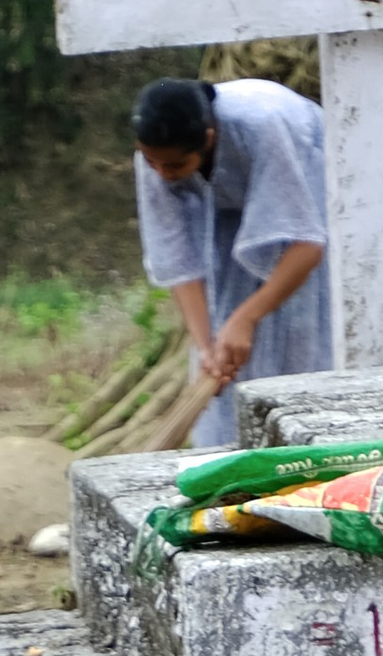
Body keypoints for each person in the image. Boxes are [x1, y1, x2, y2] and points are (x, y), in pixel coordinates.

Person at [132, 72, 332, 447]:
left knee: (300, 338)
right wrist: (206, 345)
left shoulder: (262, 126)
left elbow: (307, 243)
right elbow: (179, 260)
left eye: (173, 167)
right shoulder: (156, 155)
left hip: (312, 187)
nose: (160, 174)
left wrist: (247, 316)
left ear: (207, 140)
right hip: (227, 215)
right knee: (226, 352)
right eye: (151, 162)